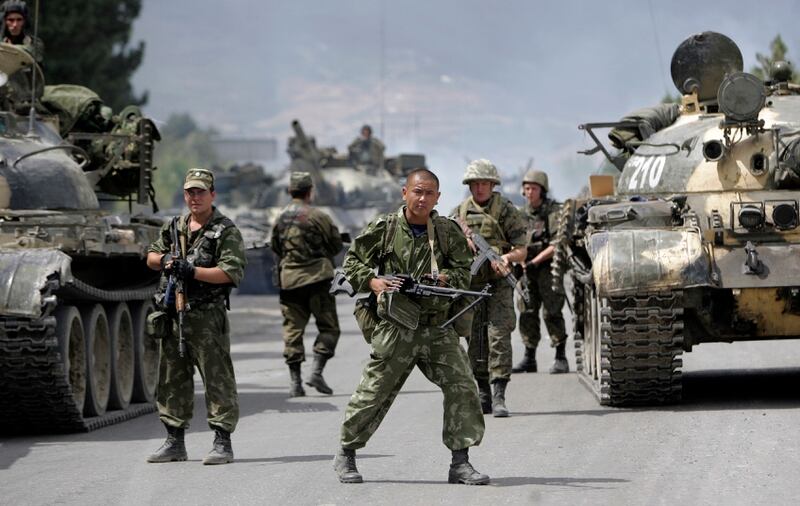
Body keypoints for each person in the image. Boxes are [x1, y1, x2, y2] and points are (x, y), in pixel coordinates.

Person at [333, 168, 489, 485]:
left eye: (429, 193)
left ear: (438, 198)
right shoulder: (386, 227)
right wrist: (375, 281)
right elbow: (352, 261)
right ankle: (346, 454)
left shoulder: (446, 231)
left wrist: (443, 280)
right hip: (396, 326)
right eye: (417, 191)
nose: (422, 198)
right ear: (405, 192)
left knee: (462, 385)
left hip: (437, 327)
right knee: (373, 393)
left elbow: (463, 274)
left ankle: (460, 462)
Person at [145, 168, 246, 465]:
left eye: (201, 192)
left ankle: (222, 442)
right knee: (171, 378)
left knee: (217, 378)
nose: (195, 197)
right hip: (174, 315)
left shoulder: (224, 230)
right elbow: (151, 256)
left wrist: (192, 271)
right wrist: (165, 260)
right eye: (190, 192)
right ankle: (174, 441)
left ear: (212, 194)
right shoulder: (175, 227)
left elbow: (230, 272)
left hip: (206, 316)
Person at [451, 159, 527, 417]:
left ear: (493, 185)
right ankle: (482, 392)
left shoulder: (506, 210)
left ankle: (499, 395)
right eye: (476, 184)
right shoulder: (458, 213)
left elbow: (521, 249)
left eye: (485, 183)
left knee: (499, 335)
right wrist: (464, 244)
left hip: (498, 284)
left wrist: (505, 259)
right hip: (471, 286)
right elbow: (444, 249)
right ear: (469, 186)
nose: (480, 188)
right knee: (474, 338)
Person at [270, 171, 343, 397]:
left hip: (290, 282)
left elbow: (276, 247)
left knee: (293, 331)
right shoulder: (319, 216)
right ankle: (316, 372)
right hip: (318, 279)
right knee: (329, 328)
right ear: (310, 192)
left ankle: (295, 383)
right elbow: (335, 245)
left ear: (290, 191)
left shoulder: (280, 218)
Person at [513, 170, 569, 374]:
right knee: (527, 311)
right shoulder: (520, 214)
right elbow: (513, 241)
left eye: (534, 188)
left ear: (542, 190)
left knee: (552, 311)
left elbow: (557, 242)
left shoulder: (553, 212)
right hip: (526, 269)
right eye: (527, 188)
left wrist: (535, 261)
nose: (530, 192)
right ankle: (529, 358)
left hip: (547, 267)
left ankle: (561, 357)